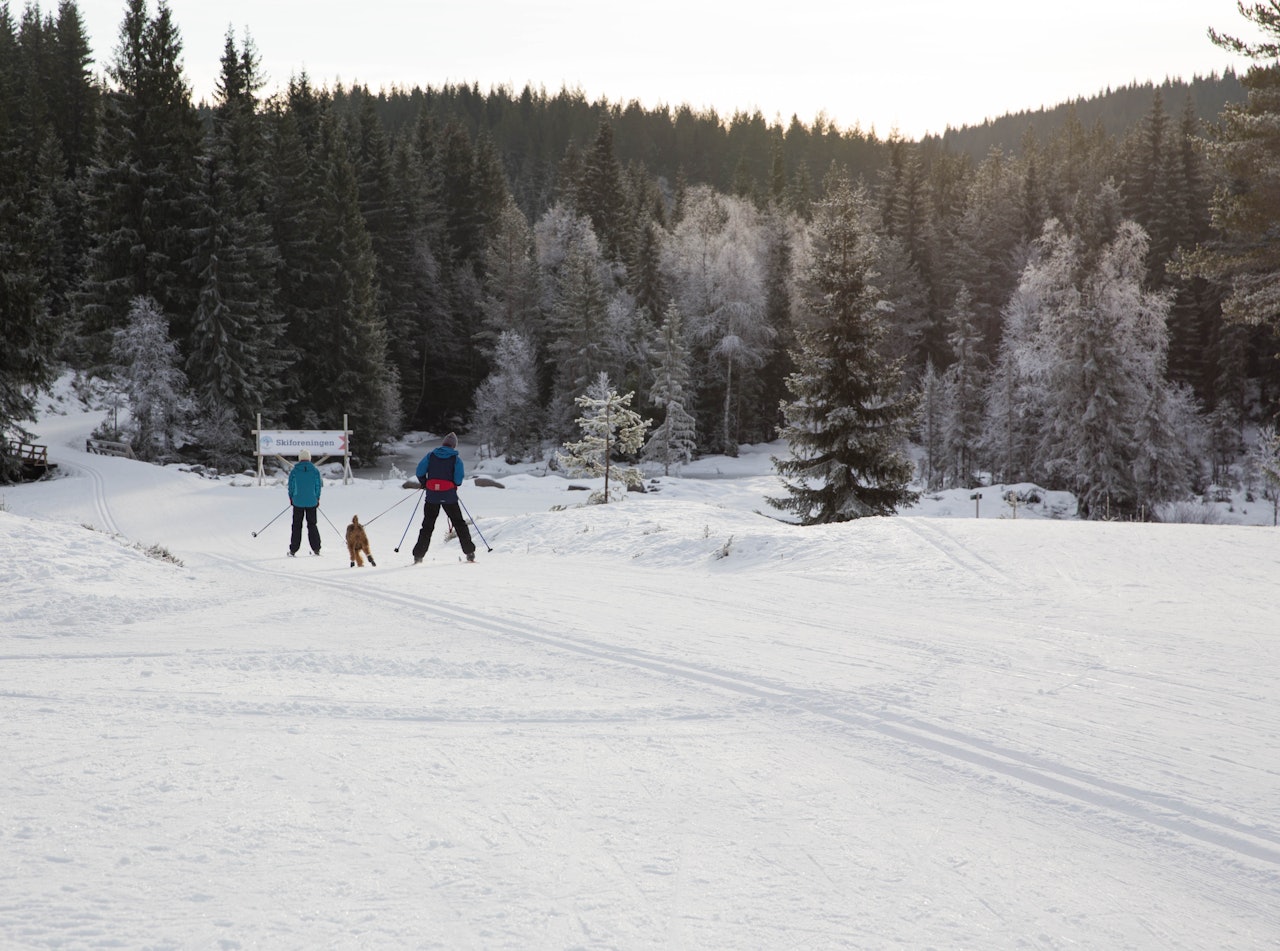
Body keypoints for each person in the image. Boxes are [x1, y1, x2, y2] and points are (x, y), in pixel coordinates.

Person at [411, 432, 476, 564]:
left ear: (443, 444)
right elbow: (458, 480)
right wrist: (453, 485)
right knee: (459, 523)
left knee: (427, 525)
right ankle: (469, 553)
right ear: (454, 446)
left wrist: (424, 482)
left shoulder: (431, 455)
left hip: (432, 497)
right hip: (449, 497)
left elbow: (419, 471)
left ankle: (418, 556)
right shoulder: (456, 459)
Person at [287, 448, 323, 556]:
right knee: (312, 524)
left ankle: (293, 549)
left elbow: (291, 486)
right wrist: (317, 498)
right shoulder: (315, 471)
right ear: (309, 458)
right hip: (312, 501)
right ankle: (316, 548)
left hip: (298, 501)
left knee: (296, 525)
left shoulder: (294, 471)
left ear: (300, 459)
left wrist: (291, 498)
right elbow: (318, 486)